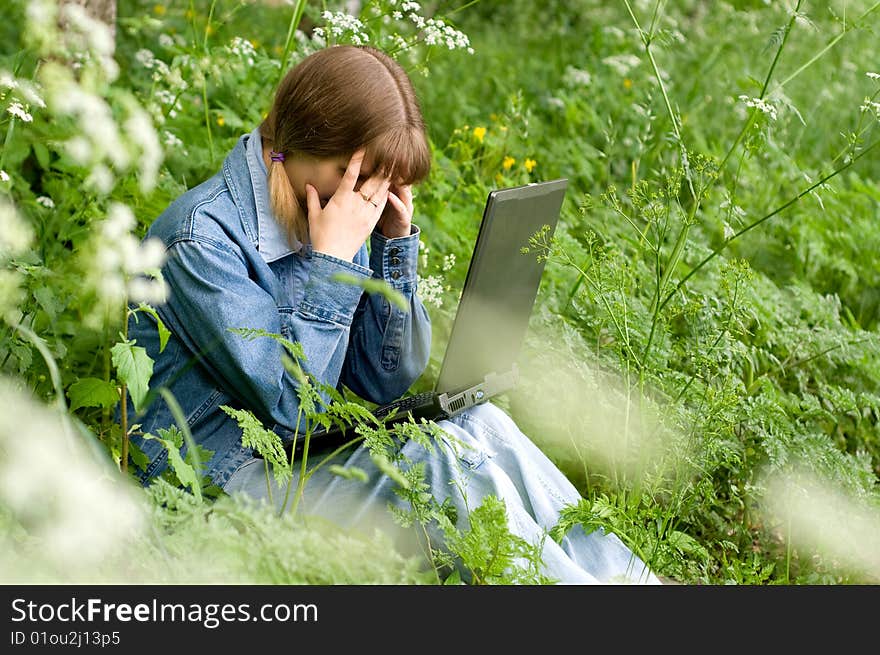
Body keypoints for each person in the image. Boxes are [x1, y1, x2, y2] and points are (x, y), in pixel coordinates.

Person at [123, 44, 661, 585]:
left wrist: (392, 245)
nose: (366, 199)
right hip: (215, 489)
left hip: (295, 460)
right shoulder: (200, 240)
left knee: (482, 424)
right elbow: (292, 406)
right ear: (295, 145)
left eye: (381, 186)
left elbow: (383, 380)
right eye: (355, 176)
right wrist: (331, 263)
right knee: (439, 465)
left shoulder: (335, 210)